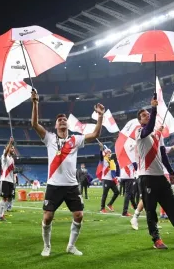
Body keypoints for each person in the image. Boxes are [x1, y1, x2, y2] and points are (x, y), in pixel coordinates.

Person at [31, 90, 103, 257]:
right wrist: (35, 103)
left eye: (64, 119)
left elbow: (95, 134)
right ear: (56, 126)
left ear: (67, 125)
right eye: (59, 120)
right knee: (47, 217)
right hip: (53, 185)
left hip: (71, 185)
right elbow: (34, 124)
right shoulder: (49, 138)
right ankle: (47, 246)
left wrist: (100, 116)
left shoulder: (75, 140)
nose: (62, 121)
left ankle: (71, 246)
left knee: (79, 215)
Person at [135, 97, 174, 249]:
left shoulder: (158, 136)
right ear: (140, 121)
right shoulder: (140, 132)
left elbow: (163, 155)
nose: (147, 116)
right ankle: (156, 239)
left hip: (160, 177)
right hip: (147, 177)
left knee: (172, 205)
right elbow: (148, 129)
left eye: (148, 114)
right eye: (144, 115)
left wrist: (170, 172)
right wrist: (154, 108)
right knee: (151, 210)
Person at [98, 143, 120, 213]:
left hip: (112, 180)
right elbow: (101, 155)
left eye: (110, 152)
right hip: (106, 179)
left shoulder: (112, 161)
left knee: (117, 192)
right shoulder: (104, 160)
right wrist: (101, 148)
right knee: (105, 194)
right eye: (108, 152)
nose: (109, 153)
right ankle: (102, 208)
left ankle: (110, 204)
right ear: (105, 153)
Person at [0, 137, 16, 221]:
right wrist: (10, 142)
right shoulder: (4, 157)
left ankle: (2, 213)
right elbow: (5, 153)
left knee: (9, 198)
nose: (13, 150)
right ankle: (0, 215)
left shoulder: (12, 159)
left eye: (13, 148)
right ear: (8, 149)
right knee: (4, 198)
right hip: (5, 180)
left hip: (11, 181)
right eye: (12, 148)